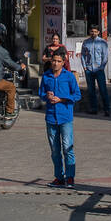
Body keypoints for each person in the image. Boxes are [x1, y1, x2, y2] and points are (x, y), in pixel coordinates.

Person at [39, 51, 82, 188]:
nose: (55, 64)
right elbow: (41, 93)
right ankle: (59, 177)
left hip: (65, 118)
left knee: (67, 148)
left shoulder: (69, 77)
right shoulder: (46, 76)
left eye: (58, 61)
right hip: (51, 117)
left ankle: (70, 178)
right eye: (53, 61)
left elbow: (77, 95)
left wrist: (62, 99)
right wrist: (47, 96)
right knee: (55, 150)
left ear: (63, 63)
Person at [79, 26, 111, 116]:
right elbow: (82, 55)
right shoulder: (86, 42)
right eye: (92, 31)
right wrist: (85, 67)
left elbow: (105, 57)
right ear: (89, 31)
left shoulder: (102, 42)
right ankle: (94, 109)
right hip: (89, 70)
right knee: (91, 90)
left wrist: (101, 67)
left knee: (103, 90)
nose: (93, 33)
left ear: (98, 32)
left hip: (99, 70)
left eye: (95, 31)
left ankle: (107, 109)